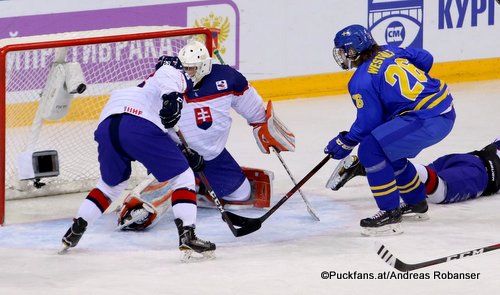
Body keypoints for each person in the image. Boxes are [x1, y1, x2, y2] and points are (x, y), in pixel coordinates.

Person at [117, 40, 295, 230]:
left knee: (241, 195)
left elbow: (252, 108)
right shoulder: (167, 81)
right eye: (184, 67)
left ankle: (196, 185)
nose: (187, 73)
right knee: (145, 213)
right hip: (173, 153)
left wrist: (263, 125)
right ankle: (176, 185)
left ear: (203, 66)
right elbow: (141, 116)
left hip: (212, 154)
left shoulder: (228, 78)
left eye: (192, 68)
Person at [60, 56, 216, 261]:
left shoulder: (131, 91)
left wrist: (185, 151)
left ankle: (76, 228)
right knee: (183, 177)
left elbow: (166, 126)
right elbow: (166, 74)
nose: (189, 72)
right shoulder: (171, 76)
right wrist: (172, 95)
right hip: (138, 127)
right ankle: (188, 234)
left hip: (108, 128)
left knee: (110, 185)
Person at [324, 24, 456, 236]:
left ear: (353, 50)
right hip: (443, 110)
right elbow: (426, 58)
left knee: (370, 150)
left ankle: (389, 214)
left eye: (342, 50)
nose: (341, 55)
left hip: (426, 118)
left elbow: (369, 122)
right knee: (389, 151)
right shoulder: (391, 50)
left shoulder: (360, 80)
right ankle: (416, 203)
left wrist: (345, 142)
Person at [327, 137, 500, 208]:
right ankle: (373, 163)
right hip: (481, 173)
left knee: (415, 182)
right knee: (439, 193)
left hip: (466, 158)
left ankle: (369, 165)